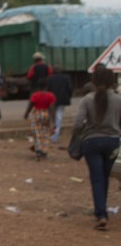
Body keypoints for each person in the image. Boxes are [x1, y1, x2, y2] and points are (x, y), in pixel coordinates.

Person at [72, 64, 121, 230]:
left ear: (93, 81)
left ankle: (101, 214)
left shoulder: (87, 100)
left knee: (96, 177)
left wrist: (86, 129)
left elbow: (78, 124)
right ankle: (102, 208)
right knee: (105, 176)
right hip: (113, 142)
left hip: (91, 143)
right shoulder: (118, 99)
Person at [29, 78, 56, 160]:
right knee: (45, 133)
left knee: (37, 133)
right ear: (47, 86)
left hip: (37, 113)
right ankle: (44, 150)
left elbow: (31, 104)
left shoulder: (35, 95)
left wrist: (26, 113)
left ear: (38, 86)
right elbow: (52, 108)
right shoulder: (50, 95)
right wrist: (53, 120)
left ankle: (38, 149)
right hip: (46, 113)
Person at [24, 52, 53, 119]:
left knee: (33, 100)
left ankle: (27, 114)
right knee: (47, 100)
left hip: (35, 86)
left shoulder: (33, 67)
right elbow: (50, 75)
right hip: (45, 86)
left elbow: (29, 76)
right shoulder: (47, 66)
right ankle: (48, 114)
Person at [46, 69, 73, 143]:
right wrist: (69, 96)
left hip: (51, 100)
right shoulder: (66, 78)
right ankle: (54, 137)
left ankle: (46, 134)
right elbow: (70, 88)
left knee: (50, 116)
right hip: (62, 99)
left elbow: (47, 89)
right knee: (59, 117)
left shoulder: (49, 78)